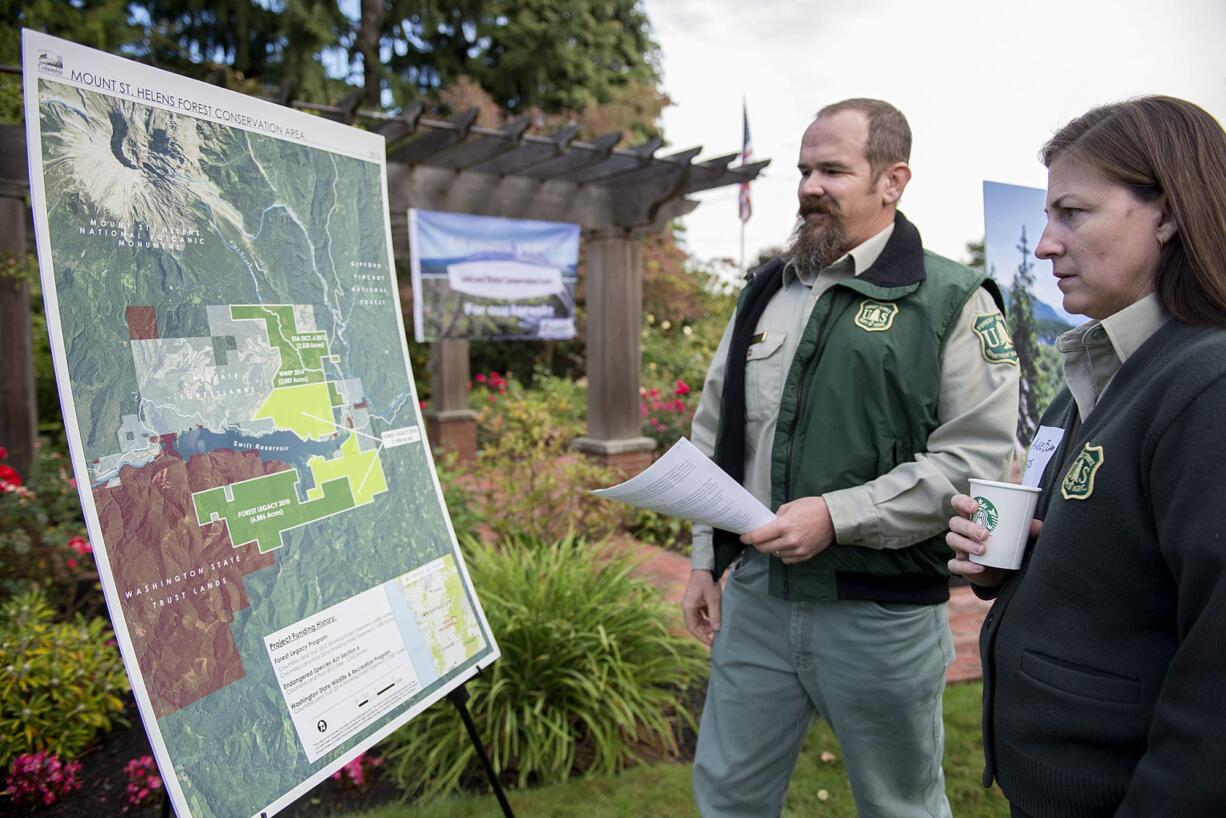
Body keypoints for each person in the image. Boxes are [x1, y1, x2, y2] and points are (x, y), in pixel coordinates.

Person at [682, 98, 1020, 818]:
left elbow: (975, 460)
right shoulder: (765, 292)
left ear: (893, 181)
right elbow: (718, 432)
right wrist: (703, 561)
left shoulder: (953, 299)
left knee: (901, 807)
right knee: (726, 798)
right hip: (758, 606)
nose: (809, 186)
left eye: (832, 169)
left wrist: (837, 516)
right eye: (805, 169)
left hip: (882, 619)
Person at [947, 96, 1226, 817]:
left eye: (1072, 213)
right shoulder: (1098, 369)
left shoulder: (1208, 384)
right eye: (1045, 217)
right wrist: (1011, 559)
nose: (1043, 245)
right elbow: (1125, 562)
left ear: (1167, 213)